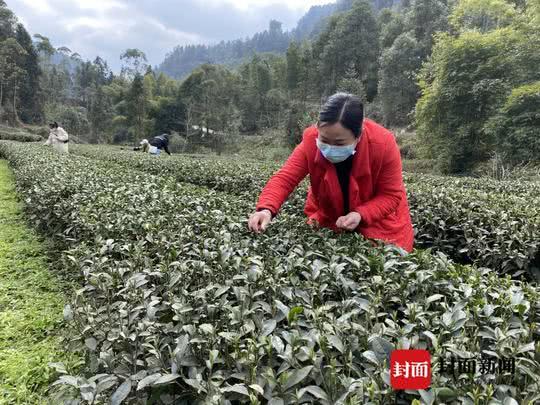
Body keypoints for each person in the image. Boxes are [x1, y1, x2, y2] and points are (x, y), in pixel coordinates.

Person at [248, 92, 414, 252]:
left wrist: (361, 215)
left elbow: (391, 195)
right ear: (318, 128)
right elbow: (285, 178)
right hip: (329, 216)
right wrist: (266, 209)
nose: (330, 147)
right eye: (325, 140)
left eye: (340, 143)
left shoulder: (382, 145)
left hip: (378, 222)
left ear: (358, 136)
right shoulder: (310, 141)